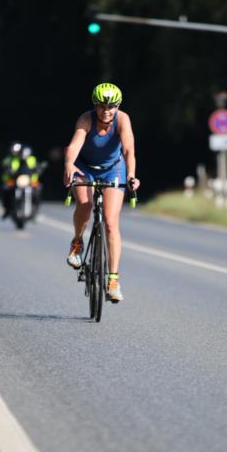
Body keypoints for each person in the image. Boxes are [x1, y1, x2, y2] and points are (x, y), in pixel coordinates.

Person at [63, 82, 139, 303]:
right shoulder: (86, 119)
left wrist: (131, 175)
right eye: (102, 106)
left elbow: (128, 150)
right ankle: (77, 243)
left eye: (112, 107)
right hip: (84, 167)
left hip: (113, 168)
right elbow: (75, 145)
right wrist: (69, 164)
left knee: (110, 222)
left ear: (118, 106)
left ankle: (113, 279)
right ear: (95, 106)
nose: (107, 111)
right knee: (85, 205)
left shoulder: (122, 119)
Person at [0, 142, 22, 219]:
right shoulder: (8, 159)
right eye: (13, 151)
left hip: (22, 180)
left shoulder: (23, 159)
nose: (15, 153)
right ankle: (6, 209)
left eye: (17, 151)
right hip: (11, 180)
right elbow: (4, 164)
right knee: (6, 191)